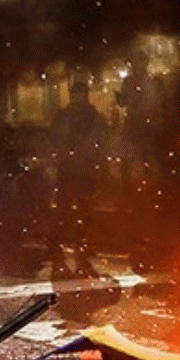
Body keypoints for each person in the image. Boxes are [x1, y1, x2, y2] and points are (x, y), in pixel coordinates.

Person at [46, 79, 110, 275]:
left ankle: (81, 244)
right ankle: (57, 245)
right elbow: (54, 136)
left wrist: (91, 153)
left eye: (81, 94)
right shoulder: (64, 116)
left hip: (85, 167)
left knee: (84, 208)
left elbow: (101, 138)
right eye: (76, 94)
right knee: (65, 208)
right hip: (70, 166)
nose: (78, 98)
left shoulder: (93, 117)